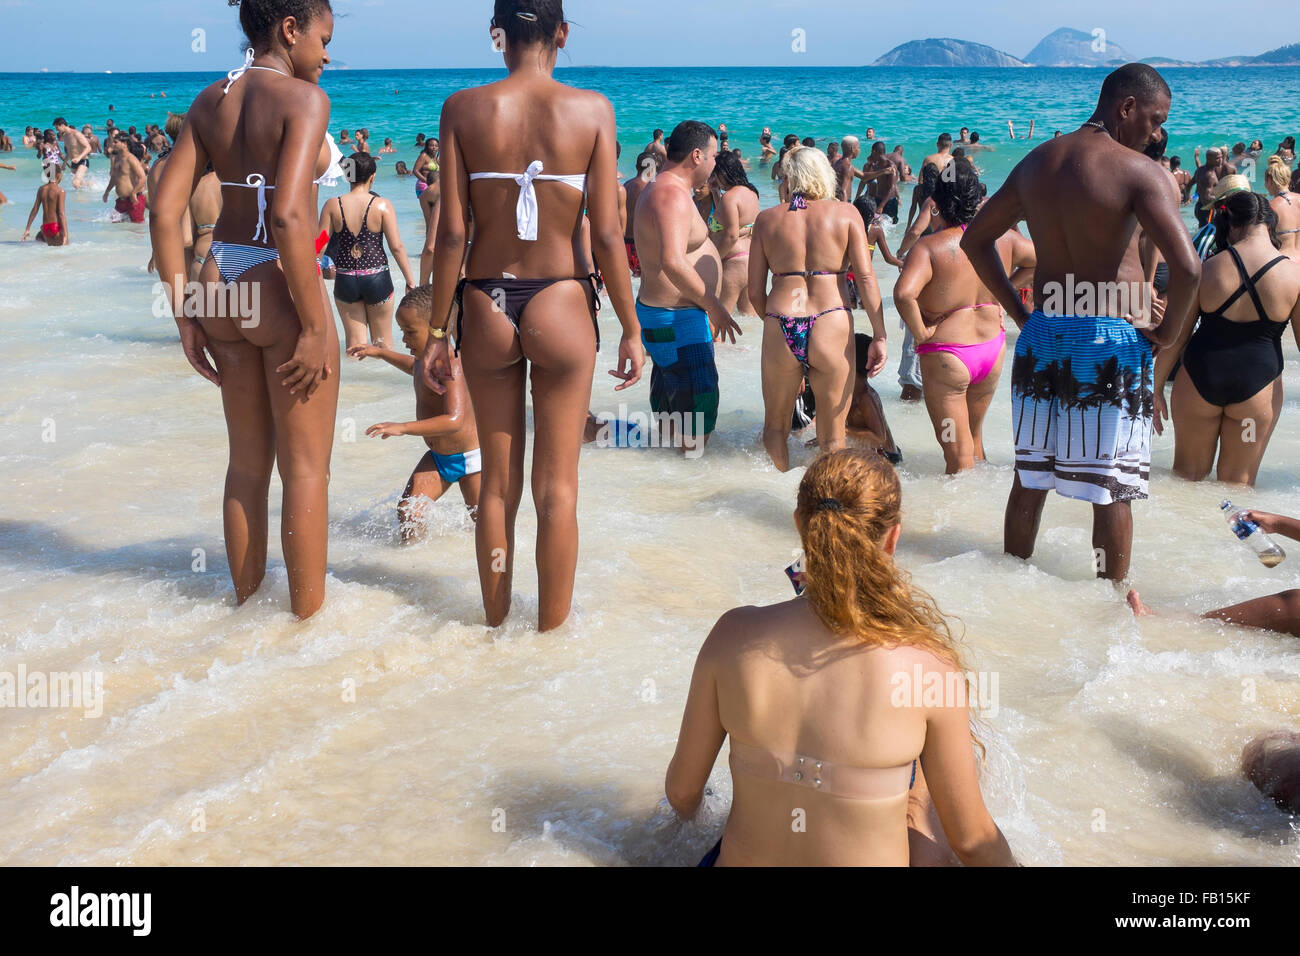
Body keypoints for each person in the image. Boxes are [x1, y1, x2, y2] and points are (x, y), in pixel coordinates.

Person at [666, 448, 1017, 867]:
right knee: (920, 786)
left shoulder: (732, 636)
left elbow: (683, 793)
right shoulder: (926, 666)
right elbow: (973, 840)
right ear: (892, 537)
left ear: (800, 524)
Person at [419, 0, 644, 633]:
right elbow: (606, 236)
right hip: (562, 302)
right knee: (558, 489)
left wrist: (438, 331)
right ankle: (550, 638)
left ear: (496, 34)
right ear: (562, 32)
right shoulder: (593, 110)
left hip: (486, 301)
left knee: (496, 487)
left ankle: (493, 626)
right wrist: (630, 325)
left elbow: (453, 234)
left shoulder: (462, 109)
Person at [961, 63, 1199, 585]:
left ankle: (1010, 583)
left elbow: (974, 240)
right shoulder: (1139, 171)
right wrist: (1167, 335)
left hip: (1044, 333)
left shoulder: (1036, 163)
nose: (1157, 134)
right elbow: (1189, 267)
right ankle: (1108, 605)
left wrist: (1020, 312)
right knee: (1109, 488)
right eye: (1155, 120)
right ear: (1127, 107)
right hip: (1110, 339)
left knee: (1030, 478)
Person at [150, 0, 345, 620]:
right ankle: (304, 630)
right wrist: (315, 325)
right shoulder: (304, 101)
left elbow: (163, 209)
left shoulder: (210, 101)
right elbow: (289, 215)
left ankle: (245, 615)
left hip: (218, 281)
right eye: (323, 39)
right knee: (307, 472)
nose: (327, 54)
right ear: (290, 31)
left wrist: (185, 313)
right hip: (275, 284)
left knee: (246, 467)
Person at [749, 146, 886, 472]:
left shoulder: (767, 219)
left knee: (775, 430)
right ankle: (829, 509)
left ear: (788, 178)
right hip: (831, 321)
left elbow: (755, 291)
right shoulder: (847, 213)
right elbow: (865, 277)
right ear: (825, 174)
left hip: (782, 319)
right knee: (833, 438)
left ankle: (774, 502)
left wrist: (774, 328)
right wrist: (880, 334)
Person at [895, 160, 1035, 474]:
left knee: (956, 460)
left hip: (948, 357)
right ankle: (984, 513)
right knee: (974, 444)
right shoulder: (1005, 238)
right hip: (991, 350)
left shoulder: (929, 247)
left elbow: (904, 294)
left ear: (936, 200)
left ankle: (954, 515)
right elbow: (1040, 260)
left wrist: (920, 333)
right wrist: (1004, 291)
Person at [1152, 191, 1300, 486]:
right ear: (1269, 224)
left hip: (1198, 384)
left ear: (1229, 223)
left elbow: (1177, 338)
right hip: (1256, 393)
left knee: (1186, 480)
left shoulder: (1206, 268)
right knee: (1239, 485)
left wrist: (1154, 389)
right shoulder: (1292, 274)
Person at [634, 119, 741, 453]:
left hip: (667, 317)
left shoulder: (665, 189)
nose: (713, 165)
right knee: (698, 416)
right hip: (678, 319)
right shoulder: (670, 194)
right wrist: (715, 307)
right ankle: (688, 487)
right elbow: (673, 261)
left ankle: (670, 487)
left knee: (672, 411)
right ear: (696, 156)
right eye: (711, 157)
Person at [351, 285, 481, 540]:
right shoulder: (425, 360)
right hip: (439, 457)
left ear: (437, 329)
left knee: (484, 524)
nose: (405, 339)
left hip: (472, 459)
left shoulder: (451, 366)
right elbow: (413, 367)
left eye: (410, 332)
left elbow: (454, 421)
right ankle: (412, 561)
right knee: (409, 512)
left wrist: (402, 427)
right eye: (402, 331)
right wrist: (380, 353)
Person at [320, 150, 416, 350]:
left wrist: (313, 271)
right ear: (372, 177)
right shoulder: (382, 205)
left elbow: (319, 244)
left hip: (345, 279)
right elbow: (396, 246)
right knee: (382, 345)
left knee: (354, 346)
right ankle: (380, 380)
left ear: (347, 175)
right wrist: (410, 281)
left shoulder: (332, 205)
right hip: (377, 277)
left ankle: (355, 381)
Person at [708, 150, 759, 316]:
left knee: (719, 320)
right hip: (750, 263)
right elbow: (727, 219)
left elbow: (731, 236)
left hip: (732, 265)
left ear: (723, 173)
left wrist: (715, 258)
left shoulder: (730, 198)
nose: (713, 178)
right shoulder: (751, 193)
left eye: (715, 174)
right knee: (747, 319)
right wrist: (715, 193)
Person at [622, 150, 659, 278]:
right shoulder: (648, 188)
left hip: (625, 243)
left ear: (637, 167)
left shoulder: (626, 185)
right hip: (640, 245)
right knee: (647, 282)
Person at [101, 131, 148, 222]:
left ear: (125, 144)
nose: (113, 144)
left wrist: (134, 193)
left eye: (116, 142)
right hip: (121, 201)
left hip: (134, 200)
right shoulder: (117, 158)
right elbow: (114, 177)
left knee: (137, 231)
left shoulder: (131, 159)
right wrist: (107, 191)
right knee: (114, 225)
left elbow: (143, 177)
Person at [21, 162, 68, 246]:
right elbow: (61, 214)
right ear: (58, 175)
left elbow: (35, 209)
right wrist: (65, 234)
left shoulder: (41, 189)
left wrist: (27, 229)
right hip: (56, 227)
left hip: (45, 228)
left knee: (52, 253)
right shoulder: (60, 191)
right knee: (63, 253)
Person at [1265, 155, 1300, 259]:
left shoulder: (1270, 206)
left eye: (1265, 181)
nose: (1265, 186)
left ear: (1270, 181)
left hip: (1283, 262)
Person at [857, 141, 899, 223]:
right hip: (878, 199)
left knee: (890, 226)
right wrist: (869, 165)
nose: (870, 154)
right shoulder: (876, 165)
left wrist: (881, 206)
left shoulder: (890, 166)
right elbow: (868, 180)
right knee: (875, 223)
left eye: (871, 152)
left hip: (889, 201)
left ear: (874, 151)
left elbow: (892, 188)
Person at [1191, 148, 1229, 228]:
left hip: (1199, 208)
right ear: (1210, 159)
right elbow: (1207, 198)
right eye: (1218, 158)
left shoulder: (1200, 170)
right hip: (1207, 211)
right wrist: (1223, 205)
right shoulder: (1210, 176)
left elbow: (1189, 185)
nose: (1221, 160)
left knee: (1203, 231)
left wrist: (1188, 196)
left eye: (1221, 157)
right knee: (1208, 234)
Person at [54, 117, 91, 189]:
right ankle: (90, 185)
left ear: (62, 125)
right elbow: (69, 151)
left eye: (57, 127)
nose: (56, 130)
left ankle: (81, 199)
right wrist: (64, 164)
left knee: (75, 183)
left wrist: (79, 157)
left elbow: (88, 147)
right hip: (74, 162)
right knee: (78, 183)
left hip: (83, 161)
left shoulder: (76, 134)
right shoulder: (65, 136)